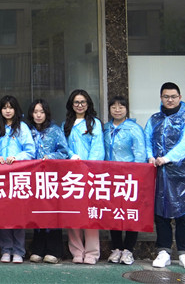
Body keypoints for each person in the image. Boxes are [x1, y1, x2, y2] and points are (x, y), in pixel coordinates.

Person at [145, 82, 185, 271]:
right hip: (159, 173)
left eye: (173, 96)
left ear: (180, 97)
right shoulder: (154, 119)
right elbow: (147, 139)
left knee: (182, 214)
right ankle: (164, 252)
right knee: (160, 213)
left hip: (182, 175)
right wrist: (150, 156)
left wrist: (168, 158)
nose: (170, 100)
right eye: (166, 96)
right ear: (161, 98)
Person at [62, 89, 105, 265]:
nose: (80, 105)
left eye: (83, 102)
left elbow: (98, 148)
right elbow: (63, 146)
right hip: (71, 175)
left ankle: (92, 253)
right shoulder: (66, 124)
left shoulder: (94, 123)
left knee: (90, 213)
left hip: (90, 174)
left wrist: (89, 167)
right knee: (73, 213)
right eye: (76, 102)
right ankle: (77, 251)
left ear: (88, 104)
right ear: (71, 105)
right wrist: (71, 156)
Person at [104, 95, 146, 266]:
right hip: (109, 177)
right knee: (113, 212)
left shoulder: (134, 128)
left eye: (121, 106)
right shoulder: (106, 128)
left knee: (130, 213)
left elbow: (140, 153)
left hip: (129, 177)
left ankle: (128, 249)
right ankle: (116, 248)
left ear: (127, 109)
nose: (117, 110)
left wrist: (137, 174)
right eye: (113, 107)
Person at [27, 98, 70, 265]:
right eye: (35, 112)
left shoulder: (55, 130)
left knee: (52, 214)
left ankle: (54, 251)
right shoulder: (27, 130)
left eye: (42, 112)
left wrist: (50, 157)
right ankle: (38, 249)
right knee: (36, 213)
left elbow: (64, 152)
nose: (38, 115)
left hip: (52, 178)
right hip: (32, 178)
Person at [0, 95, 35, 264]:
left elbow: (30, 151)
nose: (8, 111)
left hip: (19, 175)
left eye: (10, 107)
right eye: (4, 107)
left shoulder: (22, 128)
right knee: (3, 213)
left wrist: (17, 158)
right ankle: (6, 249)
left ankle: (18, 250)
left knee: (18, 214)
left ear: (16, 109)